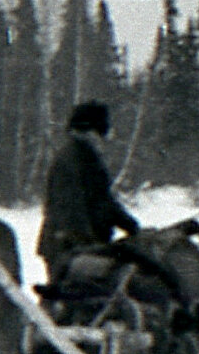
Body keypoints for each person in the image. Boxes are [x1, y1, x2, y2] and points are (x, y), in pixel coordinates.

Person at [37, 100, 140, 283]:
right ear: (88, 130)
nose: (103, 139)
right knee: (72, 301)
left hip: (79, 247)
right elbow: (69, 208)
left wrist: (130, 226)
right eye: (99, 132)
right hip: (68, 247)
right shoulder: (72, 159)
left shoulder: (85, 157)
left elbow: (103, 201)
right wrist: (87, 243)